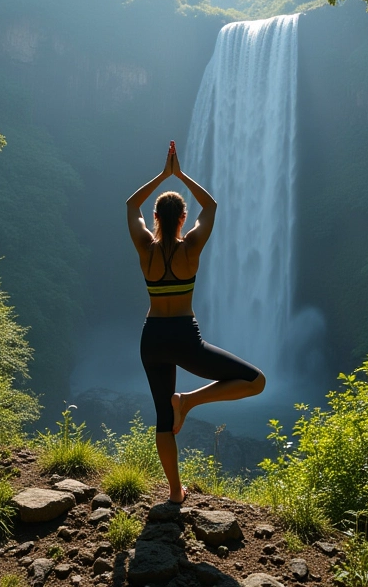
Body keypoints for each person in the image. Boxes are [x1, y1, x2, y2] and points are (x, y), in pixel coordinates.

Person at [126, 140, 266, 503]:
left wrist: (162, 175)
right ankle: (188, 401)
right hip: (186, 338)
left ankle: (175, 493)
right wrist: (181, 174)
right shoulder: (192, 247)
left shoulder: (145, 248)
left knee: (161, 418)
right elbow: (212, 206)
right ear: (183, 219)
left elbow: (130, 205)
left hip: (153, 337)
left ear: (155, 218)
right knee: (256, 381)